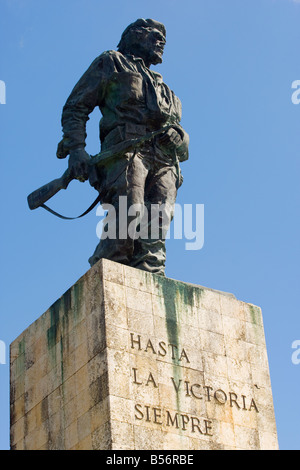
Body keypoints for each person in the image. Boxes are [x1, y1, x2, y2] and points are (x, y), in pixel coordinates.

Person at [56, 18, 189, 275]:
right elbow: (76, 107)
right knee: (129, 214)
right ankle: (106, 274)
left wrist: (178, 136)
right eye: (154, 34)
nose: (161, 41)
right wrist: (76, 150)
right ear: (133, 35)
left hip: (165, 160)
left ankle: (152, 278)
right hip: (126, 151)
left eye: (164, 38)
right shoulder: (112, 62)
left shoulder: (169, 93)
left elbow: (183, 143)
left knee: (157, 224)